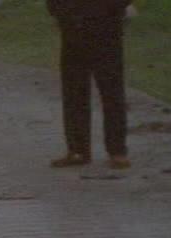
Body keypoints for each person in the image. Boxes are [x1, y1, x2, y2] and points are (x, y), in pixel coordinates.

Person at [48, 0, 134, 169]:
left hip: (107, 27)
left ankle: (117, 150)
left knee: (111, 91)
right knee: (74, 90)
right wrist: (60, 12)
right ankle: (78, 149)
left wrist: (114, 10)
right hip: (73, 26)